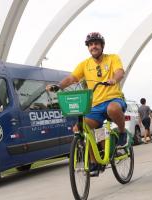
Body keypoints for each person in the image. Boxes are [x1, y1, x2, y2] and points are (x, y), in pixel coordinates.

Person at [46, 32, 127, 175]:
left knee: (112, 109)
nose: (93, 46)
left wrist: (114, 79)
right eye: (90, 44)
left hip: (113, 98)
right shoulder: (84, 64)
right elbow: (72, 78)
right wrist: (59, 86)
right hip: (95, 105)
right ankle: (94, 162)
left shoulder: (113, 58)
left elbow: (120, 71)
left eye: (96, 43)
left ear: (102, 45)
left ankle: (122, 133)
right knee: (79, 128)